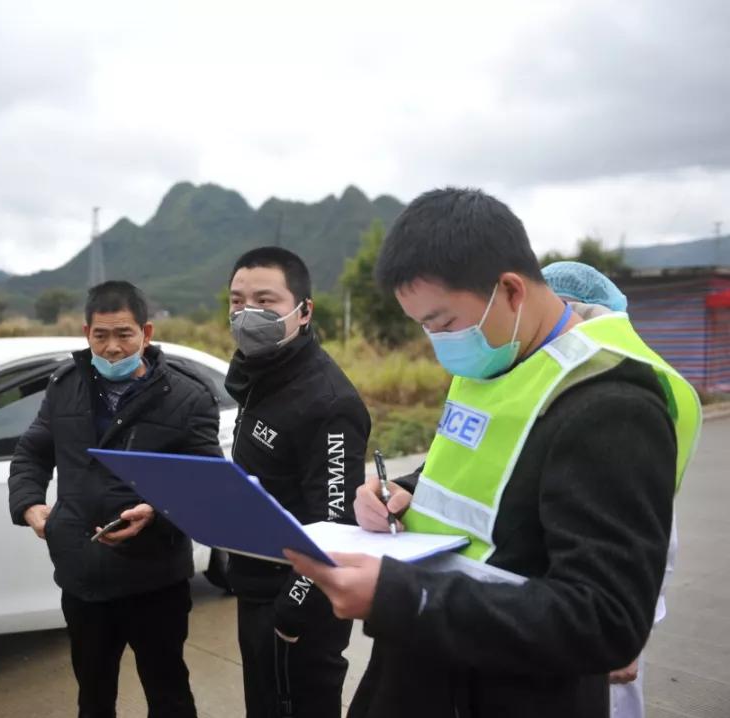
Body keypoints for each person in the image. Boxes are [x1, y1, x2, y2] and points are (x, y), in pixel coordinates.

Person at [285, 188, 699, 718]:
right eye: (423, 326)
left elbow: (606, 619)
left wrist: (402, 597)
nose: (438, 342)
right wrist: (402, 492)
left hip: (509, 694)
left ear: (510, 290)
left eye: (445, 322)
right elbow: (486, 470)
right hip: (421, 673)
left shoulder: (613, 404)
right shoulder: (499, 360)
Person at [7, 280, 222, 718]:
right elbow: (31, 452)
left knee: (168, 693)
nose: (111, 348)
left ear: (146, 332)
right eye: (100, 335)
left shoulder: (186, 397)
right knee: (93, 695)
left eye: (123, 334)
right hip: (82, 575)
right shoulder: (65, 385)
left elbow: (206, 486)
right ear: (86, 333)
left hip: (154, 577)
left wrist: (156, 515)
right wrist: (31, 507)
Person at [224, 247, 371, 718]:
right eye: (237, 300)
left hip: (299, 602)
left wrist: (292, 607)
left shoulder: (328, 402)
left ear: (304, 311)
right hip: (255, 586)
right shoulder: (259, 374)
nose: (248, 313)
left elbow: (336, 521)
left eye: (266, 301)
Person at [543, 260, 675, 718]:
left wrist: (632, 631)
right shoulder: (532, 386)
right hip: (542, 625)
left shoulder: (622, 400)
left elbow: (653, 542)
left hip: (599, 637)